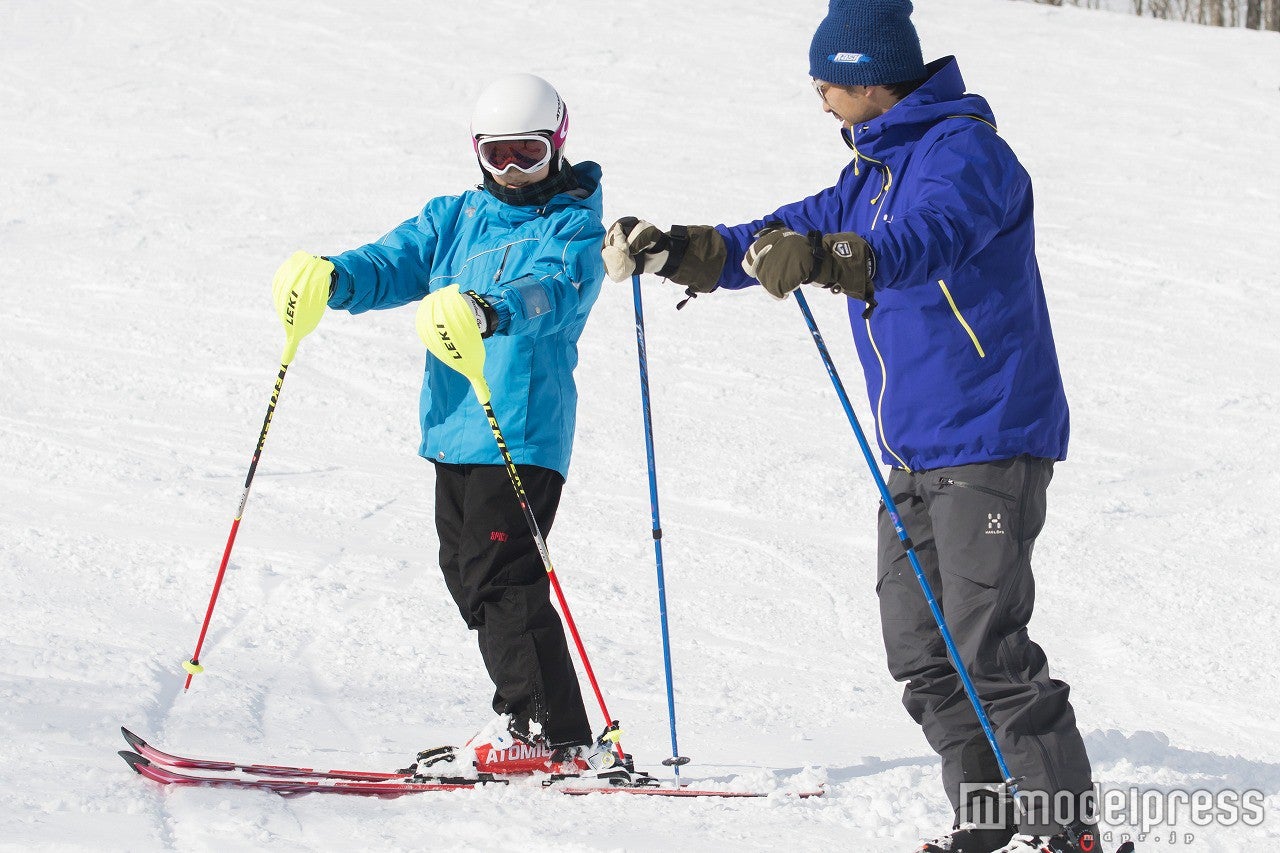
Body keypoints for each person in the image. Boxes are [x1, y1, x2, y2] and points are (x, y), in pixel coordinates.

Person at [601, 1, 1103, 850]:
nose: (819, 96)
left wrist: (836, 258)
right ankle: (987, 817)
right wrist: (674, 249)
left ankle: (1067, 832)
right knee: (922, 653)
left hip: (987, 438)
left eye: (826, 82)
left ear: (869, 80)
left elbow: (929, 240)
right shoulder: (866, 178)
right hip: (910, 453)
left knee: (988, 648)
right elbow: (769, 237)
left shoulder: (967, 154)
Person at [270, 73, 617, 778]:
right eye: (498, 155)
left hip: (520, 429)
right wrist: (333, 278)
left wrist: (491, 309)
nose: (512, 170)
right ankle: (555, 733)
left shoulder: (574, 228)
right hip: (454, 429)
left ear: (557, 145)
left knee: (502, 575)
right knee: (467, 571)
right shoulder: (454, 218)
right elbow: (391, 262)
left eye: (528, 153)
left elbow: (552, 290)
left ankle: (536, 729)